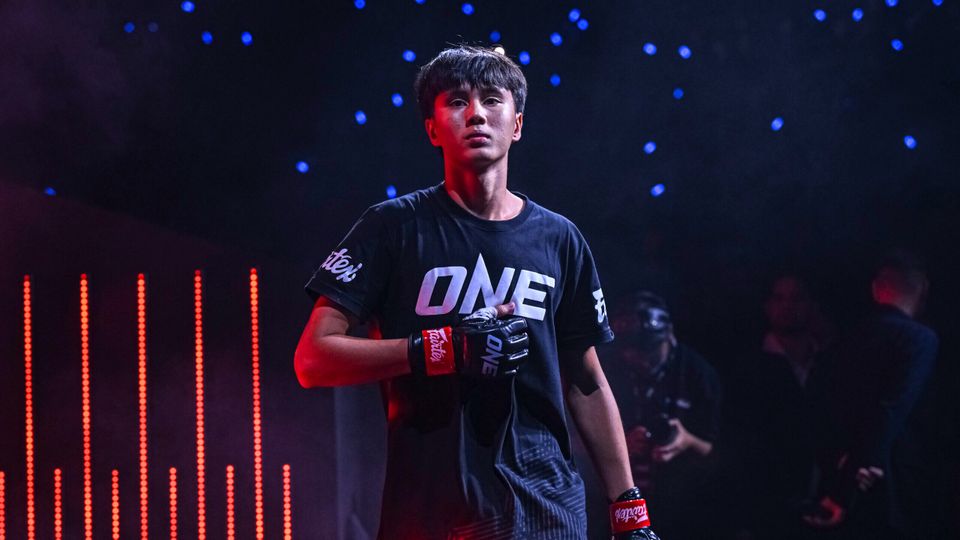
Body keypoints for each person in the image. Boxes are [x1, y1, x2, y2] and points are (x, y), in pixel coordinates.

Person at [294, 46, 659, 539]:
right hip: (430, 511)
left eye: (491, 99)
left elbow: (587, 381)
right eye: (456, 101)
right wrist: (441, 349)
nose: (476, 114)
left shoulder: (560, 239)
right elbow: (313, 359)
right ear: (432, 129)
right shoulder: (392, 227)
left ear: (517, 124)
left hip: (547, 509)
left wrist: (629, 510)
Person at [806, 251, 939, 539]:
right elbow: (892, 407)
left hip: (839, 473)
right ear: (922, 289)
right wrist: (862, 466)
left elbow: (820, 406)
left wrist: (841, 477)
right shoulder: (920, 339)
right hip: (893, 483)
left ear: (876, 289)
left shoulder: (845, 338)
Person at [606, 291, 721, 539]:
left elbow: (721, 453)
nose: (641, 359)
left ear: (669, 335)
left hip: (687, 507)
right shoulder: (610, 372)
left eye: (649, 350)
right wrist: (621, 445)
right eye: (632, 351)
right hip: (620, 504)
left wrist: (687, 441)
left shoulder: (698, 375)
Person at [726, 275, 826, 539]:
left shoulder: (828, 363)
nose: (787, 306)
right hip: (766, 509)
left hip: (822, 503)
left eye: (796, 298)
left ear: (812, 305)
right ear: (767, 306)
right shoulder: (748, 367)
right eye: (779, 298)